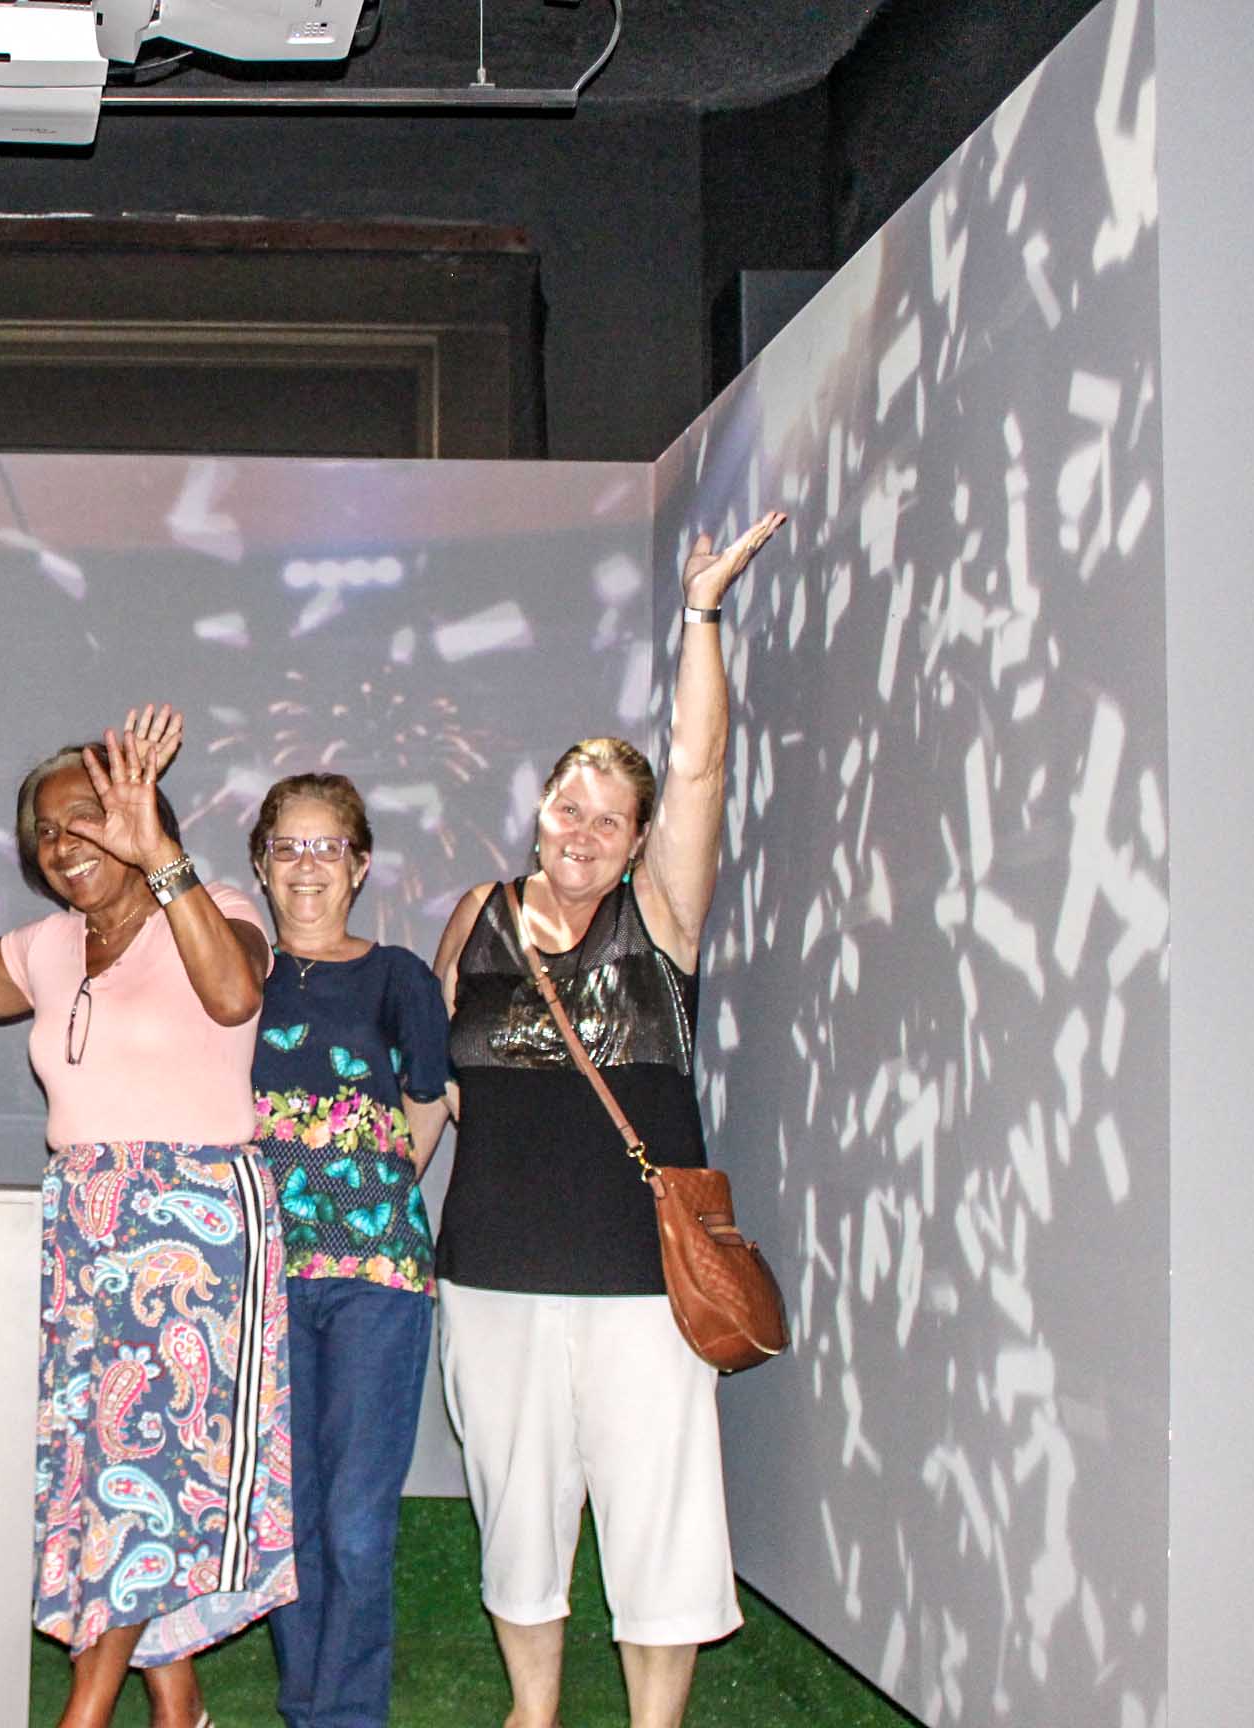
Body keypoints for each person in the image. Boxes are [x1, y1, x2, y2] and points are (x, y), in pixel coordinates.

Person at [0, 707, 292, 1728]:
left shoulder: (213, 905)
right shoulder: (49, 946)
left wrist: (161, 854)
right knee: (107, 1471)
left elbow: (233, 997)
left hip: (196, 1228)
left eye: (86, 816)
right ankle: (178, 1707)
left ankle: (84, 1712)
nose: (62, 842)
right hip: (87, 1225)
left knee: (152, 1461)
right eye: (44, 830)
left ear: (140, 815)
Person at [428, 512, 788, 1728]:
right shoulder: (477, 915)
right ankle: (532, 1713)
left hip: (642, 1282)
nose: (578, 832)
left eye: (606, 820)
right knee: (516, 1514)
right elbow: (443, 1093)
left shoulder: (660, 922)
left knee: (660, 1521)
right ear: (538, 809)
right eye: (565, 808)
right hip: (493, 1276)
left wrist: (701, 613)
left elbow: (702, 767)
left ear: (637, 842)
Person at [245, 774, 448, 1728]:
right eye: (288, 846)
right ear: (261, 866)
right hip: (264, 1281)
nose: (307, 865)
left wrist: (364, 1198)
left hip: (377, 1278)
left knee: (358, 1525)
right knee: (289, 1515)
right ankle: (307, 1707)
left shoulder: (399, 976)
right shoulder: (233, 978)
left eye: (328, 846)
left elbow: (427, 1103)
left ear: (360, 866)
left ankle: (347, 1714)